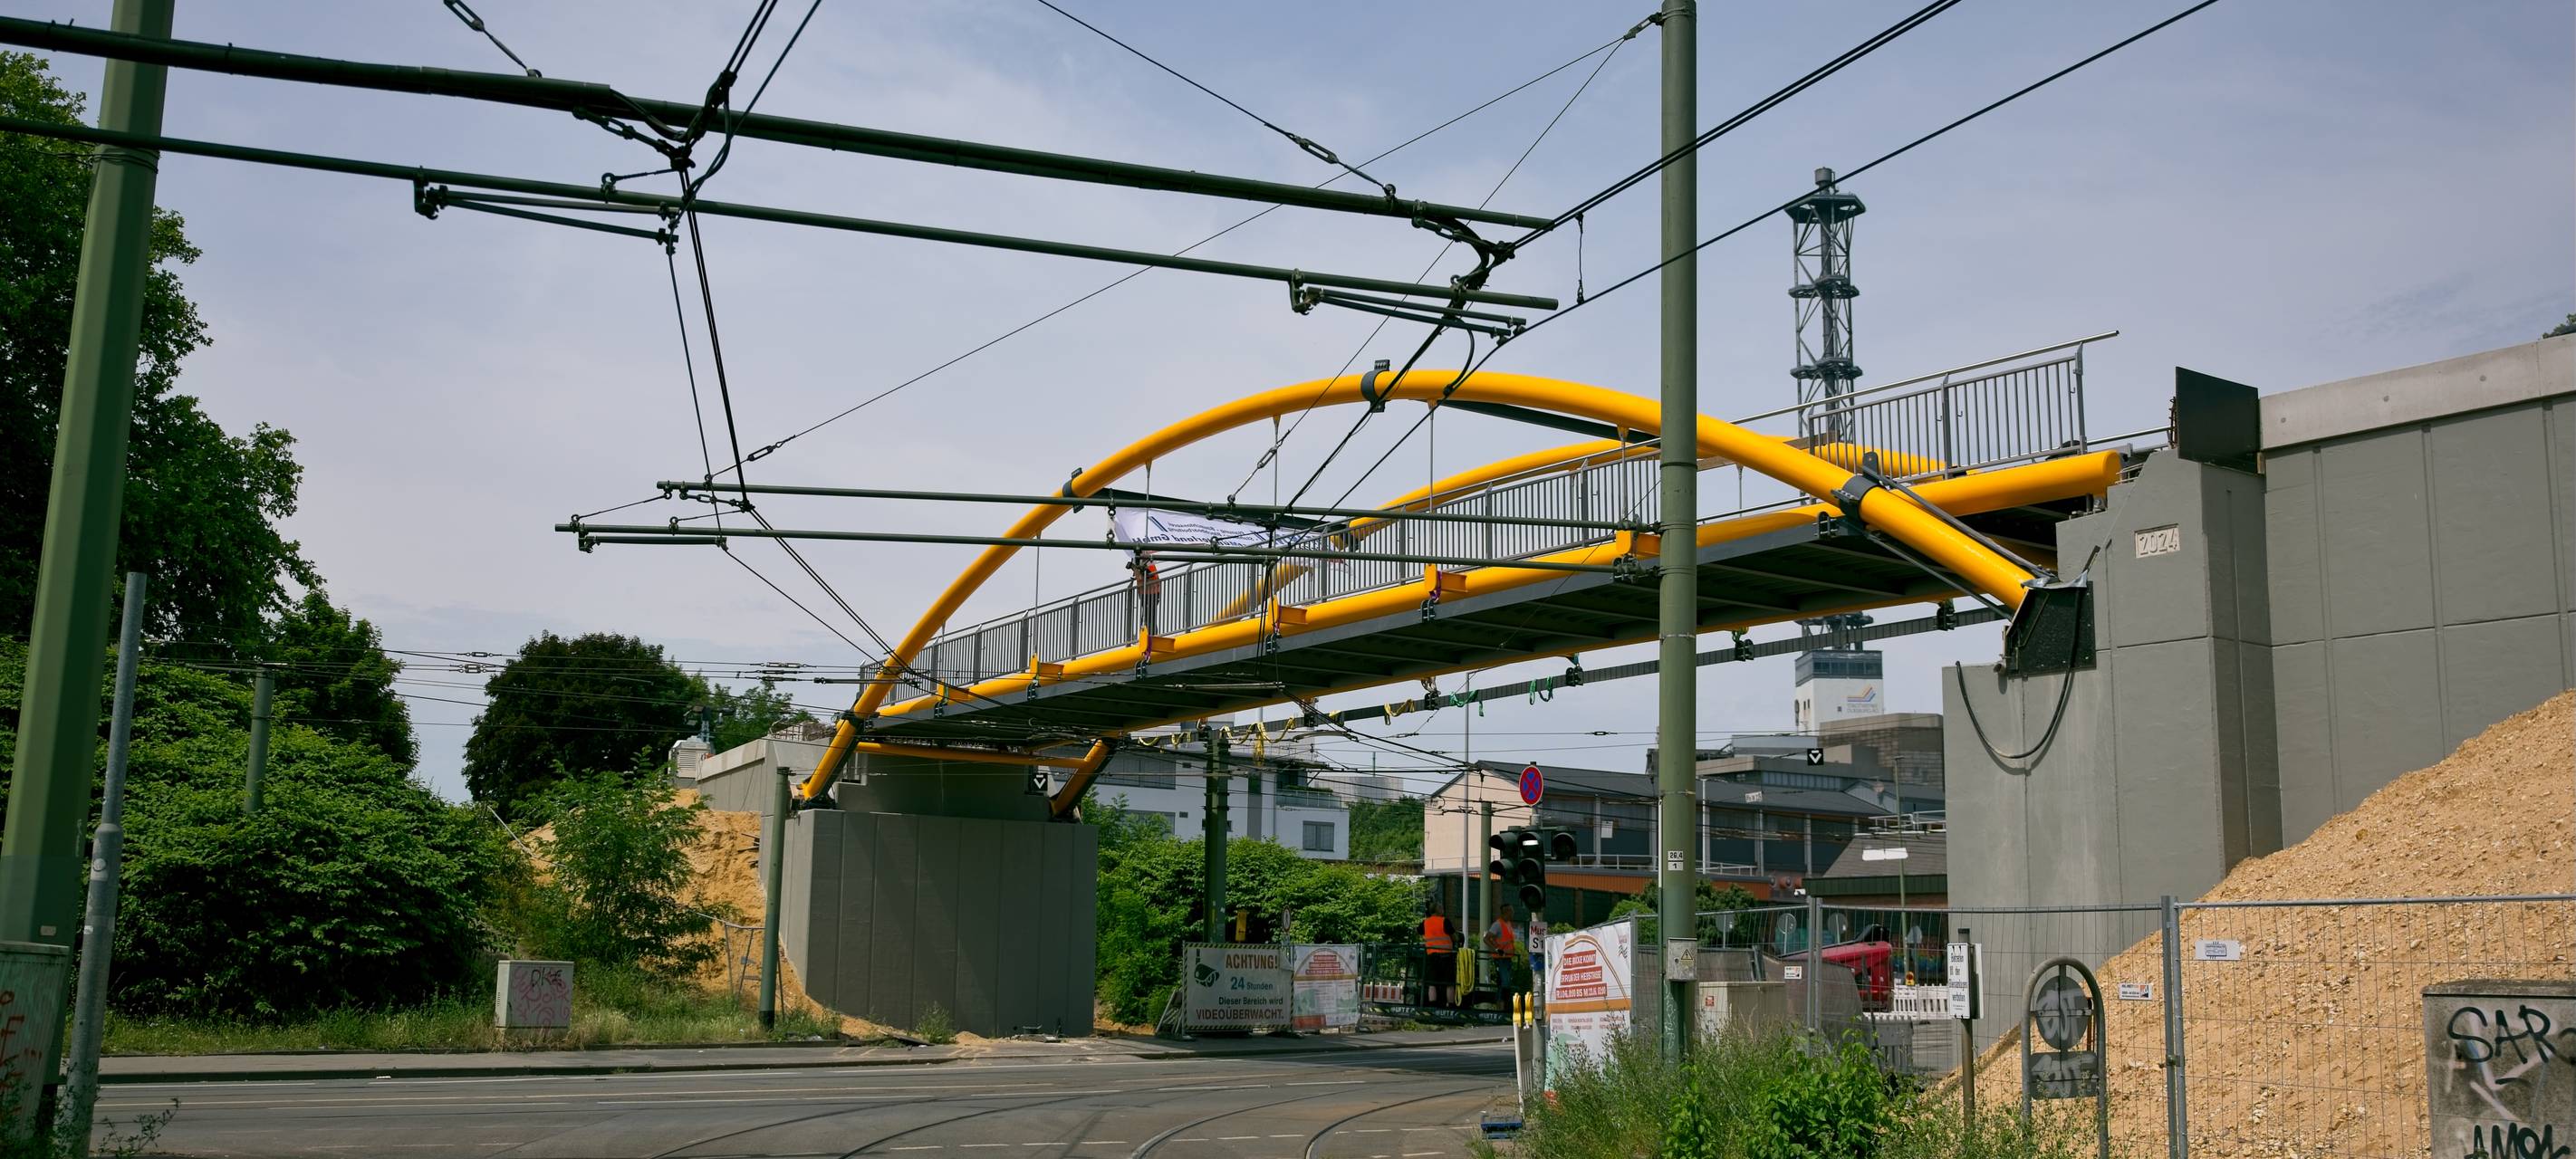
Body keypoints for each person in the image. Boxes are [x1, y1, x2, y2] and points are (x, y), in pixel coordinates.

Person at [1420, 906, 1456, 1008]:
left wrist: (1425, 938)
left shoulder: (1426, 922)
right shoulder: (1444, 921)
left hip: (1432, 955)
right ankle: (1451, 1005)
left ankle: (1432, 1005)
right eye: (1441, 908)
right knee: (1449, 983)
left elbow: (1417, 931)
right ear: (1438, 911)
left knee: (1432, 982)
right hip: (1446, 954)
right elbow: (1454, 936)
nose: (1443, 910)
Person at [1485, 904, 1523, 993]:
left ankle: (1503, 1003)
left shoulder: (1508, 924)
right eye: (1512, 911)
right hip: (1501, 959)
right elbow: (1486, 938)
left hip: (1507, 958)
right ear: (1507, 912)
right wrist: (1496, 949)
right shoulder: (1497, 925)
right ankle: (1501, 1003)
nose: (1513, 913)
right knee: (1505, 983)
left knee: (1506, 983)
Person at [1132, 552, 1163, 637]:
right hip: (1145, 592)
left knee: (1150, 615)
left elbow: (1149, 576)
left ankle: (1152, 635)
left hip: (1152, 591)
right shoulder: (1139, 561)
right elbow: (1138, 577)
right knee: (1147, 615)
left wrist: (1139, 571)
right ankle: (1148, 634)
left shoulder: (1149, 562)